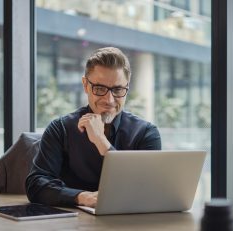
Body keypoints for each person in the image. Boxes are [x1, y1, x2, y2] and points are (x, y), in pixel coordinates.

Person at [25, 47, 161, 208]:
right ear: (85, 85)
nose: (109, 99)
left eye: (117, 90)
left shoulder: (146, 133)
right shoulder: (60, 128)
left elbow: (148, 190)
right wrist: (81, 197)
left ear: (127, 87)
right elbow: (36, 185)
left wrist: (101, 142)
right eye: (100, 89)